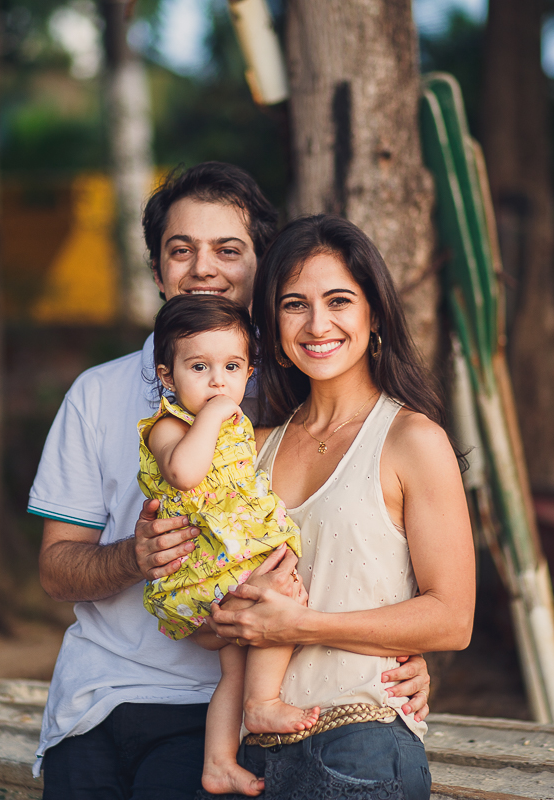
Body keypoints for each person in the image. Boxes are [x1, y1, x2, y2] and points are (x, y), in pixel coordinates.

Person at [29, 163, 433, 799]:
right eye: (180, 250)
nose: (203, 268)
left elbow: (352, 540)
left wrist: (396, 655)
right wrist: (135, 557)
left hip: (221, 705)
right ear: (157, 270)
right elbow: (56, 570)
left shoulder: (293, 391)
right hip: (95, 697)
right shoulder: (97, 393)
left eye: (228, 249)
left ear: (260, 266)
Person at [200, 214, 477, 799]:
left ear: (373, 314)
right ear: (272, 324)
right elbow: (215, 619)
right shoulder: (248, 447)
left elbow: (453, 619)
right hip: (250, 758)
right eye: (294, 305)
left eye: (339, 301)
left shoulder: (411, 440)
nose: (317, 324)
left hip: (361, 745)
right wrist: (215, 612)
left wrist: (303, 626)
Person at [139, 294, 320, 796]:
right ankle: (262, 705)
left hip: (226, 558)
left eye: (232, 367)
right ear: (168, 376)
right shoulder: (169, 426)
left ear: (249, 372)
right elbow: (184, 473)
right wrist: (214, 416)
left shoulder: (233, 423)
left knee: (234, 667)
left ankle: (218, 761)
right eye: (200, 367)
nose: (218, 381)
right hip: (204, 567)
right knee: (276, 596)